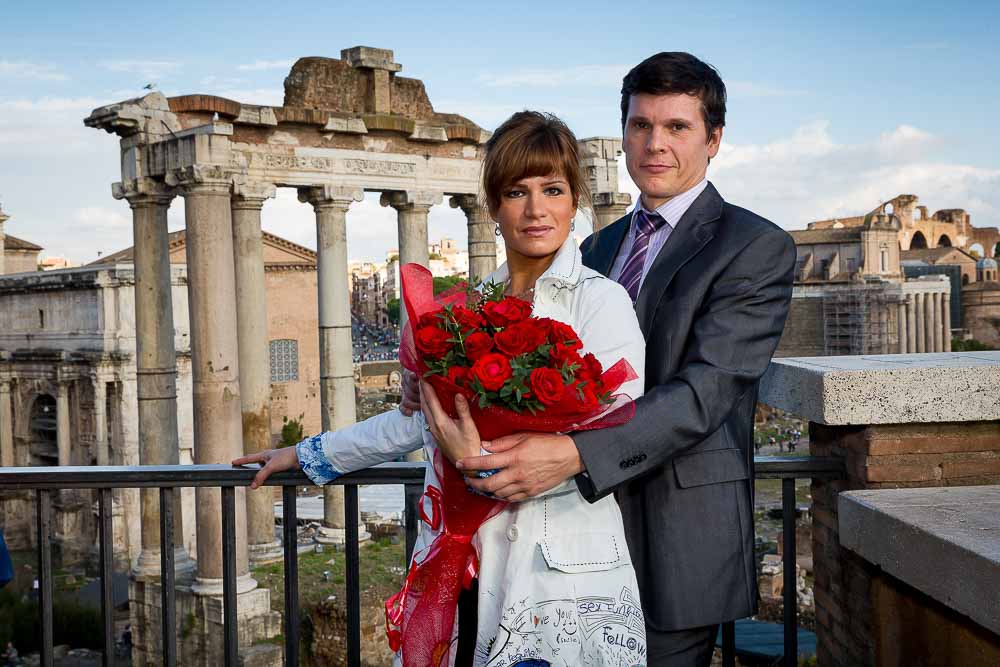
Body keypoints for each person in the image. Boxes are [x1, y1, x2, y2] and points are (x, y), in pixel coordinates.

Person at [420, 52, 796, 666]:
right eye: (640, 125)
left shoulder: (754, 246)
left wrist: (574, 454)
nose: (655, 144)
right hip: (570, 535)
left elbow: (708, 389)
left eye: (677, 127)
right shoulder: (596, 246)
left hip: (676, 532)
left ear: (715, 139)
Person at [234, 111, 648, 667]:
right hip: (464, 564)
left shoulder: (602, 301)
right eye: (515, 192)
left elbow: (617, 429)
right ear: (493, 208)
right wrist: (307, 455)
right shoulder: (466, 306)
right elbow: (417, 419)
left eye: (552, 189)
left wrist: (476, 459)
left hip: (560, 574)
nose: (535, 209)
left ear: (575, 201)